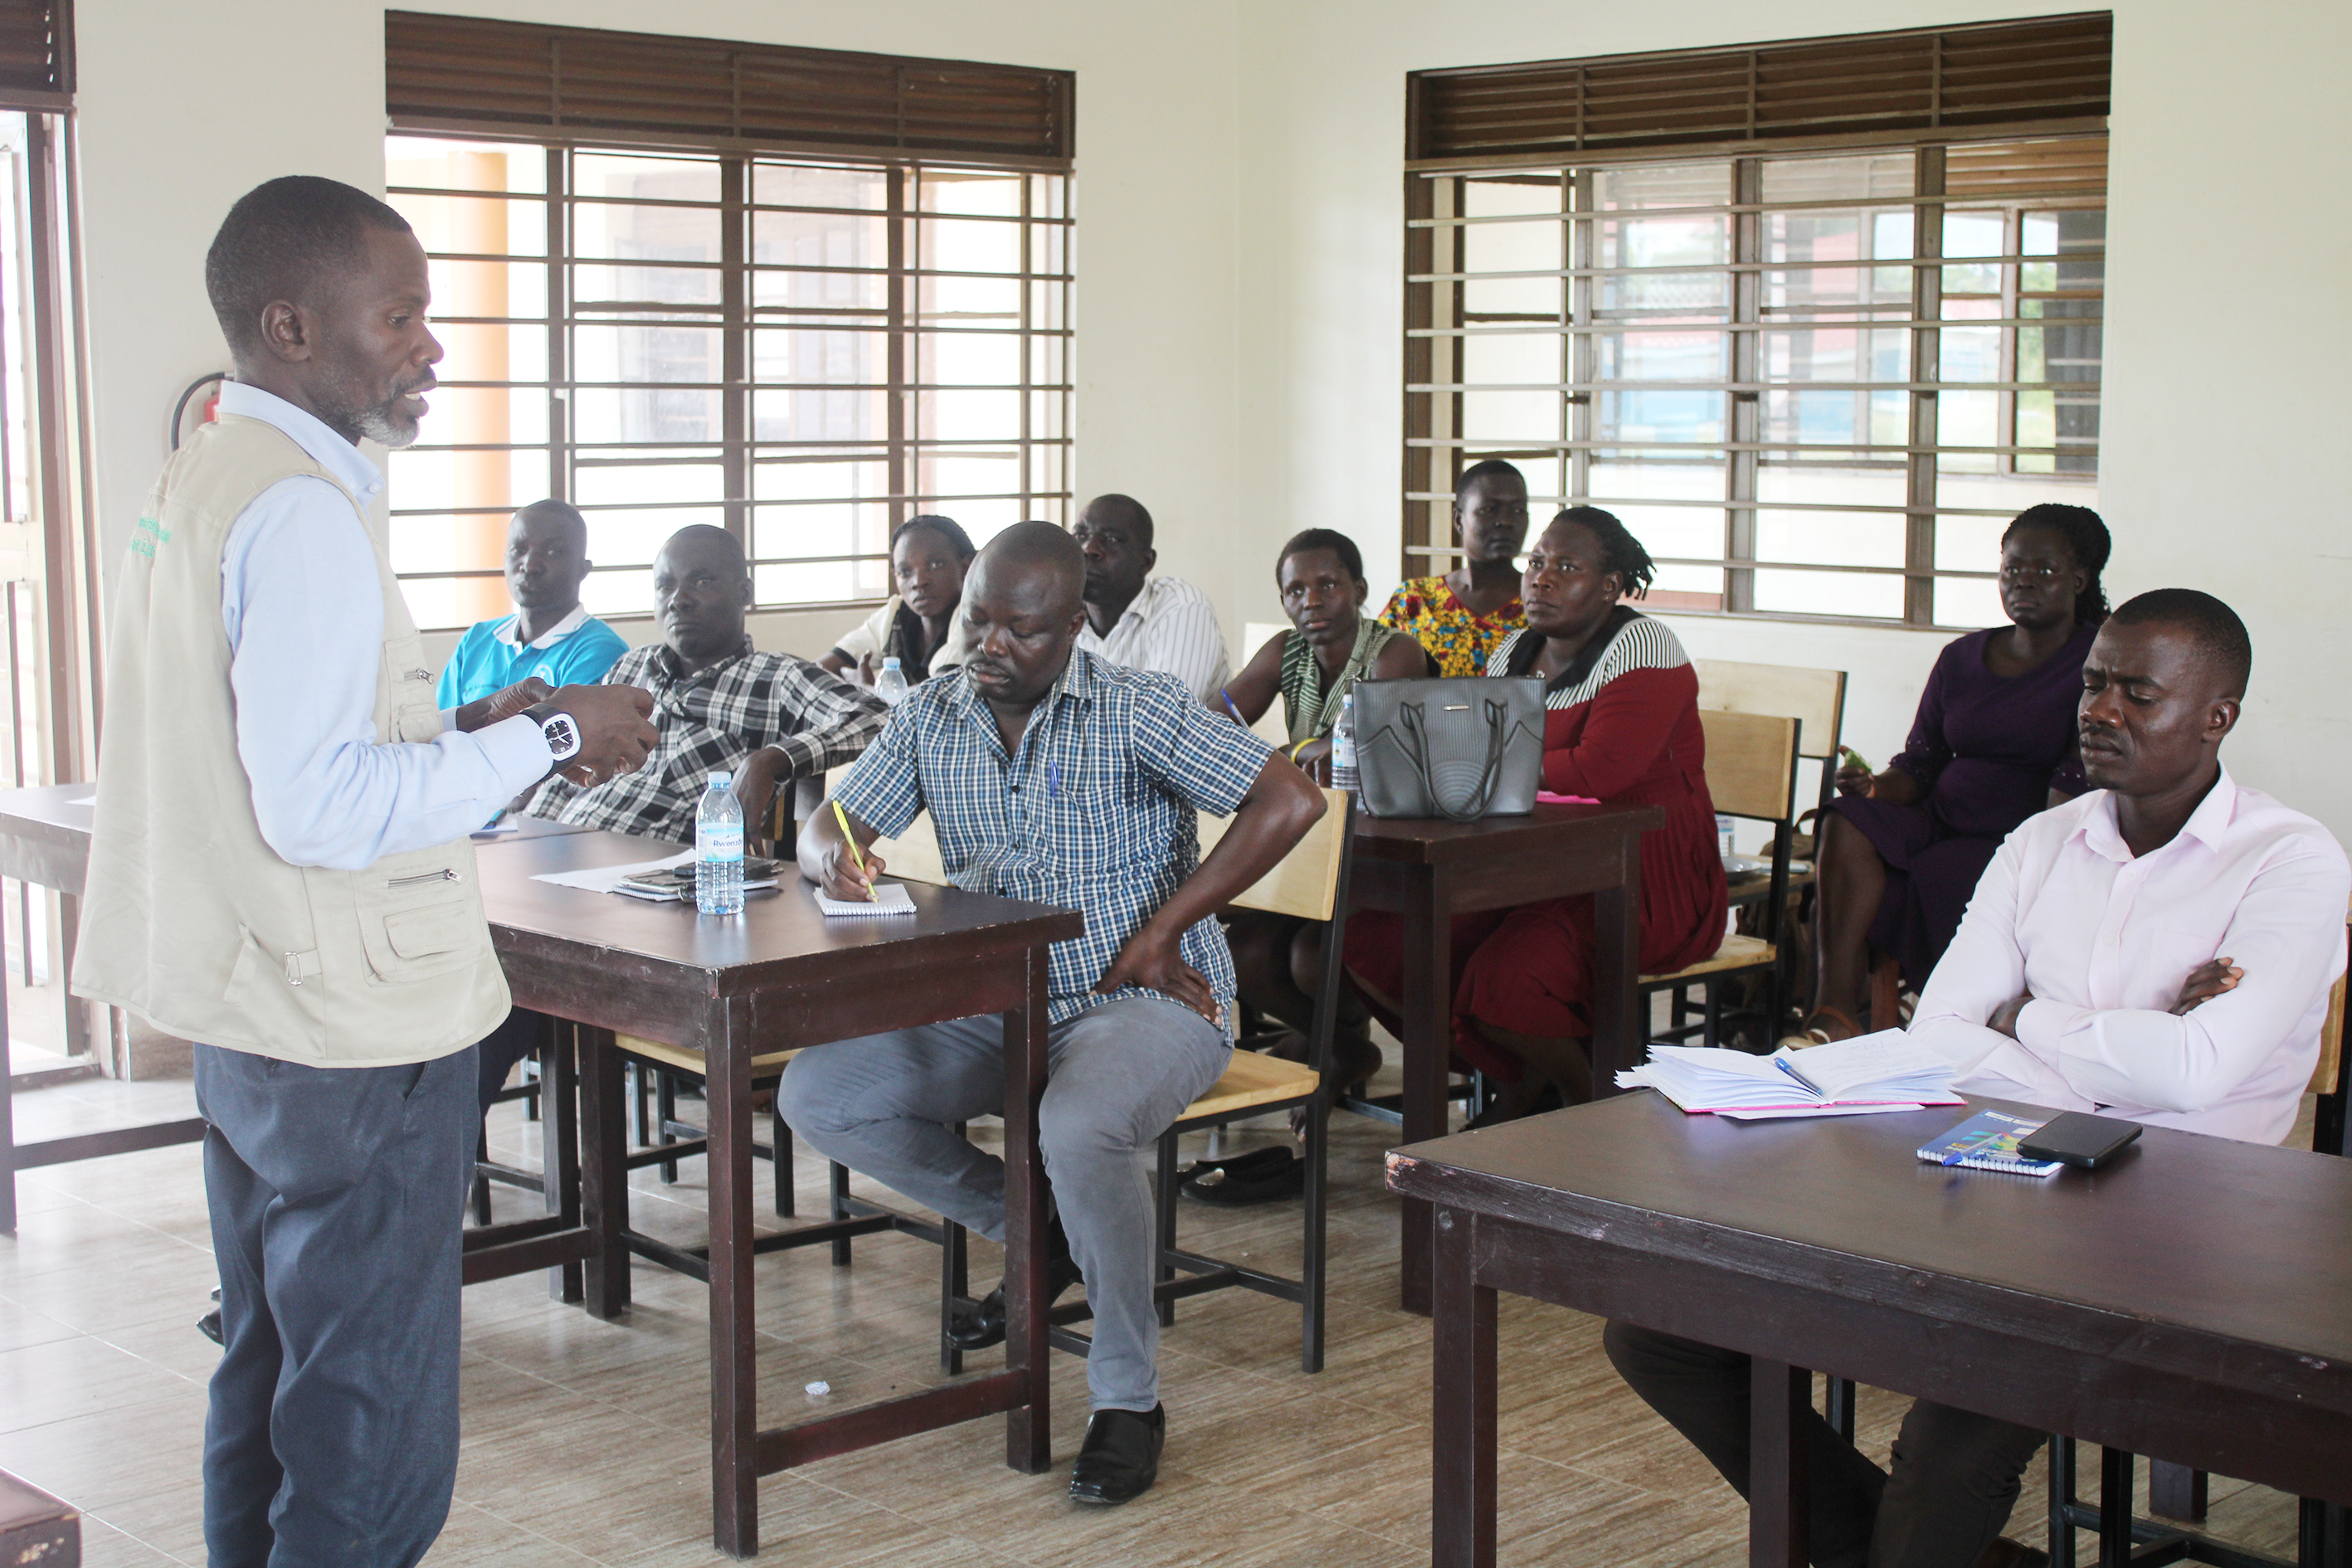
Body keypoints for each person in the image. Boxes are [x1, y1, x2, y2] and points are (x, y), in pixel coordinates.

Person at [70, 176, 657, 1568]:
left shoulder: (205, 471)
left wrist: (475, 731)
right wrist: (565, 726)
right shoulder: (305, 517)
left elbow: (271, 737)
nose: (430, 348)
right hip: (349, 1026)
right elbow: (324, 808)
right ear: (290, 325)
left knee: (271, 1366)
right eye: (399, 318)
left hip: (249, 1000)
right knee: (368, 1417)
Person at [1605, 589, 2350, 1568]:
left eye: (2140, 693)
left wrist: (2028, 1016)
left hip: (2185, 1221)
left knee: (1950, 1447)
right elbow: (1941, 1033)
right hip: (1994, 1170)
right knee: (1661, 1330)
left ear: (2219, 717)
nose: (2102, 711)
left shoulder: (2290, 860)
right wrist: (2127, 1040)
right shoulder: (2045, 842)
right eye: (2093, 685)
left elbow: (2195, 1073)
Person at [781, 521, 1324, 1507]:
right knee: (821, 1094)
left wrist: (1166, 931)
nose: (990, 646)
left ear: (1074, 625)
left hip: (1143, 999)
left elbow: (1289, 802)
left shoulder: (1137, 707)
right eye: (977, 621)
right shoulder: (935, 711)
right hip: (996, 1001)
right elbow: (836, 824)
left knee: (1076, 1124)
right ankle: (1045, 1236)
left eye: (1020, 630)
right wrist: (831, 855)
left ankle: (1126, 1398)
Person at [1345, 507, 1727, 1123]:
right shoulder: (1512, 652)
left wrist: (1498, 762)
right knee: (1379, 940)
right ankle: (1525, 1079)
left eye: (1566, 568)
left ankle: (1589, 1104)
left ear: (1608, 586)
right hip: (1530, 858)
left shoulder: (1644, 645)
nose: (1540, 580)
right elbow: (1481, 755)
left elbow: (1602, 771)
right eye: (1538, 563)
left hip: (1637, 872)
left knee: (1510, 976)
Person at [1802, 504, 2112, 1041]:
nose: (2023, 583)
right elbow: (1919, 765)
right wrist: (1872, 787)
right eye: (2012, 570)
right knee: (1845, 819)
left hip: (2015, 834)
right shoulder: (1961, 656)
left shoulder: (2093, 662)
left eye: (2043, 571)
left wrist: (2042, 852)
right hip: (1938, 817)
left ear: (2078, 579)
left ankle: (1944, 1029)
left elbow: (2073, 791)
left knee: (1937, 873)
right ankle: (1832, 1015)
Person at [1218, 528, 1429, 1094]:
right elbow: (1219, 717)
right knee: (1244, 953)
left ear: (1358, 589)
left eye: (1327, 584)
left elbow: (1360, 749)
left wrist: (1286, 757)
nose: (1309, 600)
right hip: (1309, 847)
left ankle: (1320, 1049)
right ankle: (1340, 1049)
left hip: (1381, 854)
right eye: (1294, 590)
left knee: (1312, 959)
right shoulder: (1283, 652)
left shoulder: (1394, 652)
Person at [525, 523, 889, 846]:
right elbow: (572, 773)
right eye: (664, 586)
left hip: (657, 877)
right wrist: (527, 837)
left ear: (745, 593)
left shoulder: (776, 677)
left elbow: (880, 720)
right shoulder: (632, 667)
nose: (678, 601)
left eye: (702, 582)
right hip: (563, 853)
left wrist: (771, 760)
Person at [434, 499, 627, 710]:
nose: (530, 565)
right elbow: (437, 728)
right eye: (518, 549)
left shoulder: (600, 651)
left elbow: (564, 738)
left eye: (553, 552)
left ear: (583, 569)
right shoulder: (476, 641)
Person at [1072, 492, 1231, 702]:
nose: (1089, 549)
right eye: (1080, 536)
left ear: (1146, 562)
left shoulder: (1182, 607)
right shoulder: (1060, 615)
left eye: (1111, 539)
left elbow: (1163, 719)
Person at [1378, 458, 1530, 678]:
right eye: (1490, 509)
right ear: (1459, 520)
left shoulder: (1541, 603)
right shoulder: (1414, 600)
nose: (1506, 521)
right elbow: (1374, 684)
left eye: (1518, 510)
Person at [820, 514, 977, 687]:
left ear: (966, 568)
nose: (918, 582)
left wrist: (869, 691)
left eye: (935, 565)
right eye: (905, 572)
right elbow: (821, 670)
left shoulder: (977, 618)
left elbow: (937, 696)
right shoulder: (896, 614)